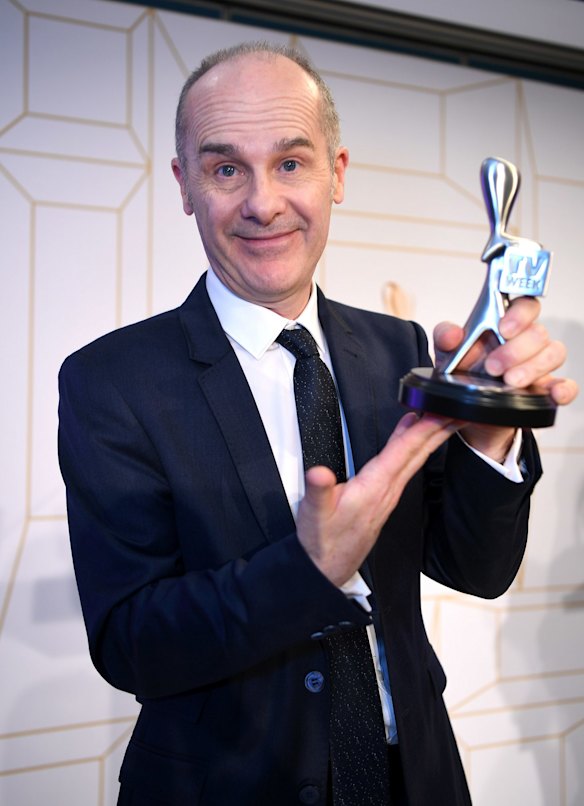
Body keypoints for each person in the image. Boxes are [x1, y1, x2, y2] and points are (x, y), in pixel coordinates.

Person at [58, 42, 578, 806]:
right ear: (185, 185)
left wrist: (489, 437)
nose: (263, 202)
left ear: (337, 173)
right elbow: (132, 646)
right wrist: (304, 572)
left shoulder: (399, 351)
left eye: (291, 163)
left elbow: (477, 569)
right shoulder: (112, 382)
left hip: (417, 781)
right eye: (226, 168)